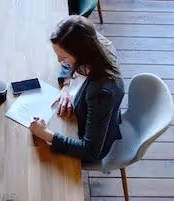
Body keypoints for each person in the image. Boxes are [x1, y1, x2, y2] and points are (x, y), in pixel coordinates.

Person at [29, 15, 124, 163]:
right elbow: (67, 63)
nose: (59, 61)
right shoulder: (92, 42)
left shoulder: (101, 93)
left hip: (89, 141)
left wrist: (45, 134)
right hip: (84, 112)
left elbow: (90, 151)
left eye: (64, 57)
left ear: (82, 54)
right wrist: (66, 86)